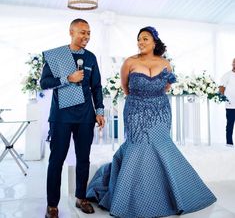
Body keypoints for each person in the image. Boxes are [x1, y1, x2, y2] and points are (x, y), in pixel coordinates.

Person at [86, 26, 216, 218]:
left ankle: (168, 196)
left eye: (145, 39)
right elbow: (125, 87)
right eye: (139, 39)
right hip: (136, 111)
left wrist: (154, 99)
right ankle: (131, 199)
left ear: (154, 42)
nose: (140, 42)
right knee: (137, 147)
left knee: (161, 147)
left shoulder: (165, 63)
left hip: (161, 111)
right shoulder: (129, 62)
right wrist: (141, 101)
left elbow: (167, 86)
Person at [40, 18, 105, 218]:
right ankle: (52, 205)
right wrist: (68, 79)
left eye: (89, 33)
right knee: (57, 159)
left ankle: (81, 198)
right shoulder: (57, 55)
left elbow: (96, 87)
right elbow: (44, 83)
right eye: (82, 32)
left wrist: (100, 111)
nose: (86, 36)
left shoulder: (92, 58)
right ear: (71, 32)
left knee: (83, 159)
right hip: (61, 116)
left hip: (85, 116)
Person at [219, 58, 235, 146]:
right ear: (232, 64)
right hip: (230, 104)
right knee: (230, 125)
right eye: (234, 63)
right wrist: (223, 97)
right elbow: (221, 87)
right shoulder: (227, 75)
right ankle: (229, 143)